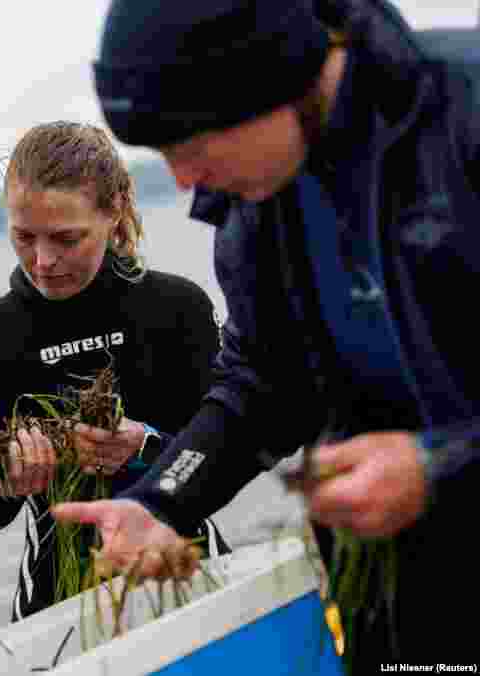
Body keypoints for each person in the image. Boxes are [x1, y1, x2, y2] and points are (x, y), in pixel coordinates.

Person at [53, 0, 480, 667]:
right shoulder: (257, 202)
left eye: (188, 146)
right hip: (412, 596)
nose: (185, 180)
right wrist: (162, 500)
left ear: (262, 82)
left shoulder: (465, 113)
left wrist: (441, 467)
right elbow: (260, 388)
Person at [0, 121, 228, 621]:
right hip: (58, 607)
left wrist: (143, 445)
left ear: (114, 209)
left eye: (65, 238)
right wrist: (6, 484)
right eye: (24, 236)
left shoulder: (177, 309)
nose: (43, 260)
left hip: (189, 575)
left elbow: (228, 453)